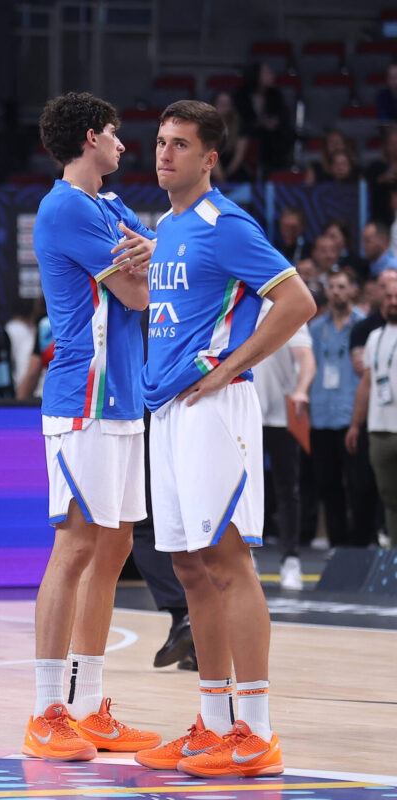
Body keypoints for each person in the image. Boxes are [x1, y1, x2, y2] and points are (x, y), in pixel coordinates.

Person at [136, 100, 315, 778]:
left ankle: (258, 731)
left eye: (179, 144)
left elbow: (297, 301)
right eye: (159, 141)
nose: (164, 153)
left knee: (228, 562)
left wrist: (230, 366)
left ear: (210, 157)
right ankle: (213, 723)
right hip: (169, 408)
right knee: (187, 566)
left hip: (215, 409)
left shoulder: (225, 222)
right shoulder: (171, 226)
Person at [24, 91, 160, 764]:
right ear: (87, 139)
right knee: (76, 547)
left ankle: (87, 708)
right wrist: (149, 260)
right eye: (114, 134)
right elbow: (140, 292)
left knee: (114, 550)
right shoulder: (66, 207)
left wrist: (150, 255)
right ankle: (47, 709)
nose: (124, 145)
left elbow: (152, 273)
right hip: (84, 393)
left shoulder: (109, 206)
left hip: (126, 395)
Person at [250, 300, 314, 591]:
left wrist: (301, 390)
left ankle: (291, 559)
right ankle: (246, 555)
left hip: (281, 414)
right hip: (243, 413)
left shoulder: (284, 302)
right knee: (242, 489)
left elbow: (306, 357)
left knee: (287, 488)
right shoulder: (234, 300)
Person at [310, 269, 376, 550]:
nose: (335, 291)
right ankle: (337, 542)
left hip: (352, 414)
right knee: (327, 482)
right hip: (322, 414)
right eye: (331, 286)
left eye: (341, 286)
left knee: (359, 483)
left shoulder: (364, 327)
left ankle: (362, 542)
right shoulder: (315, 328)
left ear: (353, 291)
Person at [347, 277, 397, 540]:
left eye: (396, 297)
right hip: (379, 428)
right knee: (388, 496)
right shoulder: (374, 337)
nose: (393, 302)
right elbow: (366, 384)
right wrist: (356, 424)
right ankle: (393, 555)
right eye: (388, 297)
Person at [232, 62, 295, 175]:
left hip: (270, 134)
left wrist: (273, 122)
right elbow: (240, 117)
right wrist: (259, 123)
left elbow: (280, 115)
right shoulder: (241, 94)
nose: (272, 75)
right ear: (256, 75)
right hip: (246, 131)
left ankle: (276, 172)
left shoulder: (275, 95)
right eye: (267, 73)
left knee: (284, 133)